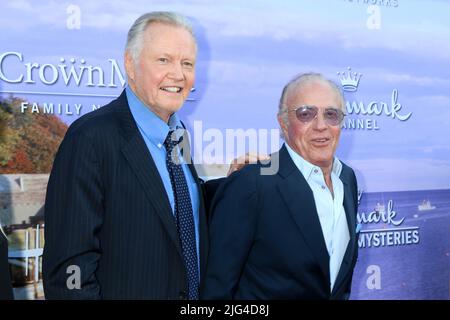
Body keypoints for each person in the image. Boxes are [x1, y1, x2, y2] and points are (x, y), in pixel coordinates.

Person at [42, 11, 258, 300]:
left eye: (187, 63)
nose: (178, 74)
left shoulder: (177, 132)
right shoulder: (91, 139)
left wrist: (231, 184)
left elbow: (176, 211)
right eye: (163, 60)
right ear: (130, 65)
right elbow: (69, 272)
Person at [201, 73, 359, 300]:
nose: (321, 126)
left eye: (331, 114)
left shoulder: (347, 179)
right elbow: (216, 291)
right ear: (283, 123)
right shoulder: (252, 183)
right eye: (306, 114)